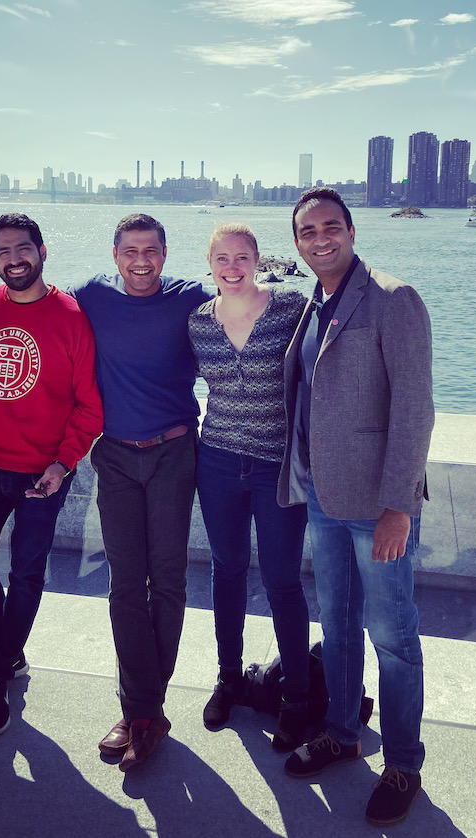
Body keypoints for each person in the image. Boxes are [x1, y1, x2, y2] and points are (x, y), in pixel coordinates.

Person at [277, 188, 434, 827]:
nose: (321, 239)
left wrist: (399, 505)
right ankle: (343, 732)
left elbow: (415, 408)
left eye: (330, 227)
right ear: (297, 243)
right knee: (337, 625)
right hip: (322, 496)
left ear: (350, 229)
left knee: (392, 636)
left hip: (378, 506)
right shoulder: (311, 303)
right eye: (308, 231)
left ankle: (402, 762)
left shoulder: (393, 299)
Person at [0, 213, 102, 739]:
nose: (14, 259)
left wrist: (63, 464)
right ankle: (6, 653)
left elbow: (89, 406)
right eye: (3, 252)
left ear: (42, 251)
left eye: (23, 248)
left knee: (26, 574)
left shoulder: (71, 317)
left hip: (43, 474)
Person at [71, 214, 211, 771]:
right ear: (114, 254)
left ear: (165, 253)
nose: (141, 260)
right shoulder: (90, 298)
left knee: (169, 578)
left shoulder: (190, 299)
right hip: (116, 457)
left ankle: (142, 711)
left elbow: (246, 301)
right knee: (126, 584)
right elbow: (34, 313)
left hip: (175, 452)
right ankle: (143, 710)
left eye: (151, 250)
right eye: (130, 250)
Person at [187, 222, 310, 751]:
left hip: (275, 465)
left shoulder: (291, 308)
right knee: (227, 570)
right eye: (222, 258)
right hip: (215, 461)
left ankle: (299, 699)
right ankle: (229, 677)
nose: (232, 267)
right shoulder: (197, 323)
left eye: (242, 257)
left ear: (258, 260)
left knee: (282, 580)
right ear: (209, 262)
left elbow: (323, 370)